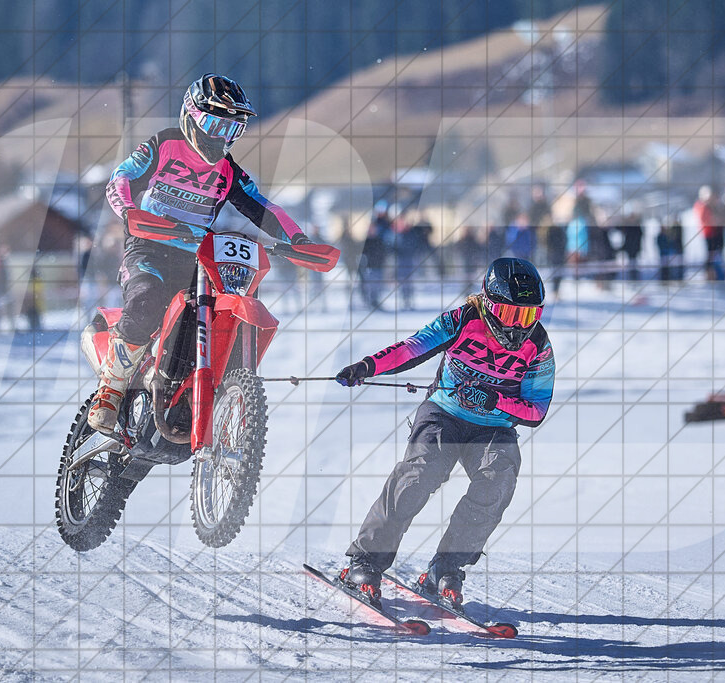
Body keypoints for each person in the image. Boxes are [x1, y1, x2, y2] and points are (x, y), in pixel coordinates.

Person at [90, 73, 315, 434]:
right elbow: (120, 178)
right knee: (147, 299)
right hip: (148, 248)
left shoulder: (228, 172)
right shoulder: (163, 145)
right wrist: (131, 212)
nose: (220, 137)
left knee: (218, 311)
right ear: (191, 116)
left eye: (232, 129)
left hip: (197, 257)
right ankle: (111, 388)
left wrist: (299, 240)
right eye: (214, 124)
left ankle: (213, 389)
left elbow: (264, 208)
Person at [334, 258, 556, 607]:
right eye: (511, 314)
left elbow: (536, 410)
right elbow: (412, 348)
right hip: (444, 415)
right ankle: (365, 561)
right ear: (487, 302)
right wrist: (367, 366)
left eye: (528, 316)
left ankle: (446, 567)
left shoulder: (538, 347)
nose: (518, 326)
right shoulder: (462, 320)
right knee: (421, 473)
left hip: (493, 430)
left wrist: (495, 400)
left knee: (498, 480)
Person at [695, 186, 725, 281]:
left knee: (718, 254)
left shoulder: (715, 205)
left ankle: (717, 273)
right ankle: (710, 275)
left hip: (717, 232)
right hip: (709, 233)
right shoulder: (701, 206)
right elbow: (704, 219)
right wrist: (714, 220)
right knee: (710, 255)